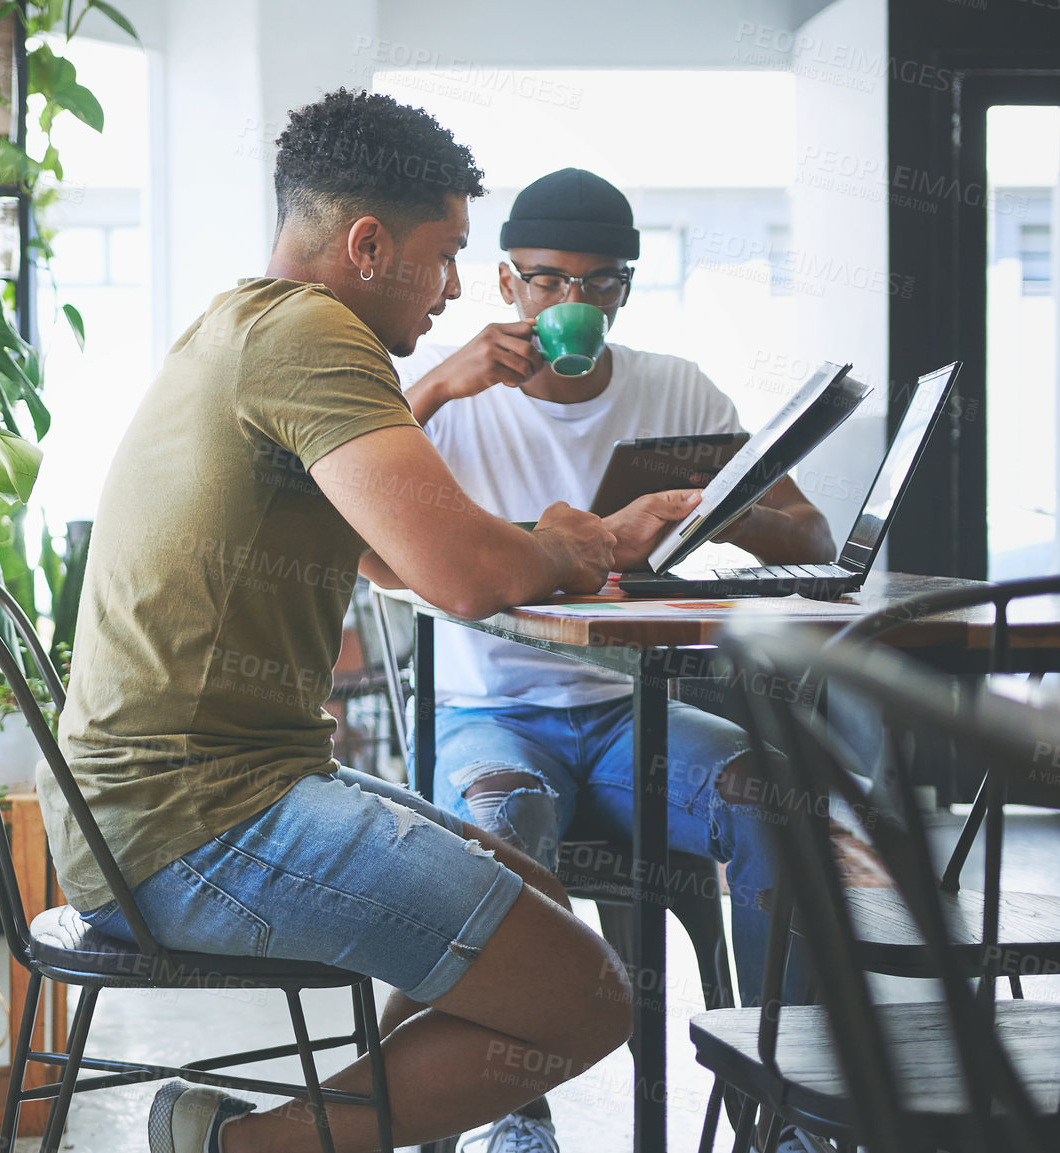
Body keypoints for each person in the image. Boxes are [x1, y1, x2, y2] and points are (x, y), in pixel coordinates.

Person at [41, 92, 694, 1153]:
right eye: (444, 258)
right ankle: (240, 1148)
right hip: (189, 825)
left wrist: (544, 541)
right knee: (590, 999)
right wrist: (594, 544)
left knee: (526, 888)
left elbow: (397, 552)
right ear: (367, 242)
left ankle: (318, 1133)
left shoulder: (243, 323)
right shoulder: (312, 337)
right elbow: (465, 576)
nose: (449, 290)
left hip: (163, 803)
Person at [394, 167, 831, 1153]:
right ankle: (512, 1115)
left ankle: (783, 1104)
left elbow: (808, 535)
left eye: (598, 285)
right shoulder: (451, 398)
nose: (571, 305)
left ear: (624, 291)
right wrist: (435, 383)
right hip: (486, 713)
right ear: (509, 286)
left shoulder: (674, 388)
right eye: (547, 282)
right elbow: (353, 513)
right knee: (505, 818)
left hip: (625, 714)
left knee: (780, 793)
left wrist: (716, 499)